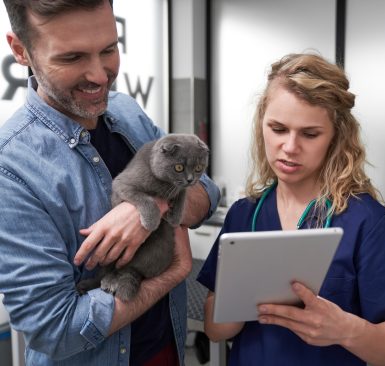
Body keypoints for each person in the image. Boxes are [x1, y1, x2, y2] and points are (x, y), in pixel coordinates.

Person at [0, 1, 220, 365]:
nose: (100, 76)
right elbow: (56, 329)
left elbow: (207, 192)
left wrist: (151, 208)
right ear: (21, 51)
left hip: (168, 349)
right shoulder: (12, 169)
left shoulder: (126, 111)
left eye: (109, 49)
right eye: (72, 58)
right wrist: (171, 275)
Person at [197, 53, 385, 366]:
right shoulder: (244, 214)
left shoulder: (367, 222)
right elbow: (215, 330)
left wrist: (345, 330)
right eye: (278, 129)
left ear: (335, 138)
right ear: (261, 124)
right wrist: (236, 302)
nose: (289, 147)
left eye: (310, 134)